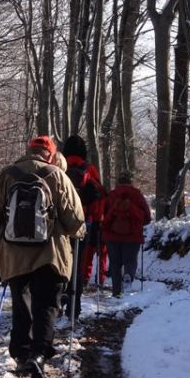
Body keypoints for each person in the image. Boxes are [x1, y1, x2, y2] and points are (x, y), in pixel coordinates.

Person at [0, 136, 85, 378]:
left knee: (21, 303)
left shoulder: (8, 174)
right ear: (50, 154)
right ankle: (40, 353)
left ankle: (22, 353)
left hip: (13, 254)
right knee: (46, 305)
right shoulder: (57, 175)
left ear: (29, 151)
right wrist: (76, 234)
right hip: (51, 255)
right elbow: (75, 220)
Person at [60, 134, 106, 319]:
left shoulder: (59, 168)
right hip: (82, 224)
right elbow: (98, 197)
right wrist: (97, 220)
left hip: (60, 225)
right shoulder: (89, 170)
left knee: (59, 263)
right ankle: (74, 307)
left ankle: (58, 300)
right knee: (77, 265)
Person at [101, 171, 151, 297]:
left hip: (112, 236)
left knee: (115, 263)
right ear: (130, 181)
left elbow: (104, 214)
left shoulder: (111, 195)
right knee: (130, 260)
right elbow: (147, 217)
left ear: (118, 181)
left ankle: (116, 291)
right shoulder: (137, 195)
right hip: (133, 235)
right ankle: (128, 276)